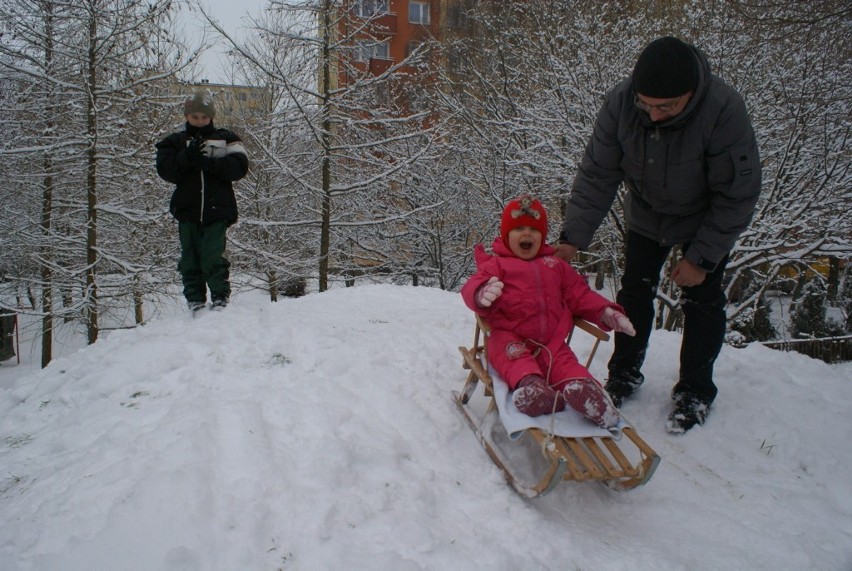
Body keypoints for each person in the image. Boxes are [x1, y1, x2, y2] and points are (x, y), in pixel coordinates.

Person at [555, 36, 762, 433]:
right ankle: (624, 374)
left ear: (692, 93)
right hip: (647, 214)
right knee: (634, 294)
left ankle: (695, 391)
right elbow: (598, 174)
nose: (653, 115)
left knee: (702, 302)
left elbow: (737, 194)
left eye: (665, 107)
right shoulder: (621, 104)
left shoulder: (723, 111)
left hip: (704, 218)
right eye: (646, 105)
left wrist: (701, 258)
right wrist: (572, 238)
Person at [461, 196, 636, 429]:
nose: (527, 234)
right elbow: (471, 287)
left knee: (567, 365)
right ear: (506, 235)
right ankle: (533, 388)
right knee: (514, 359)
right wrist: (481, 294)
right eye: (519, 229)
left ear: (542, 236)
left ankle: (588, 394)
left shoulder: (556, 266)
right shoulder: (496, 265)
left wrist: (605, 312)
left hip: (550, 342)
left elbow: (579, 294)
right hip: (509, 337)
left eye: (534, 229)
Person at [155, 91, 249, 313]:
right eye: (194, 116)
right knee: (190, 257)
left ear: (211, 117)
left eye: (203, 117)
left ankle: (219, 297)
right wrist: (186, 157)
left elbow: (240, 167)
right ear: (187, 116)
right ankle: (195, 299)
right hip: (187, 209)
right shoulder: (173, 142)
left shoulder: (228, 138)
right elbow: (166, 171)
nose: (199, 121)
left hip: (218, 209)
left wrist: (210, 164)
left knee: (212, 255)